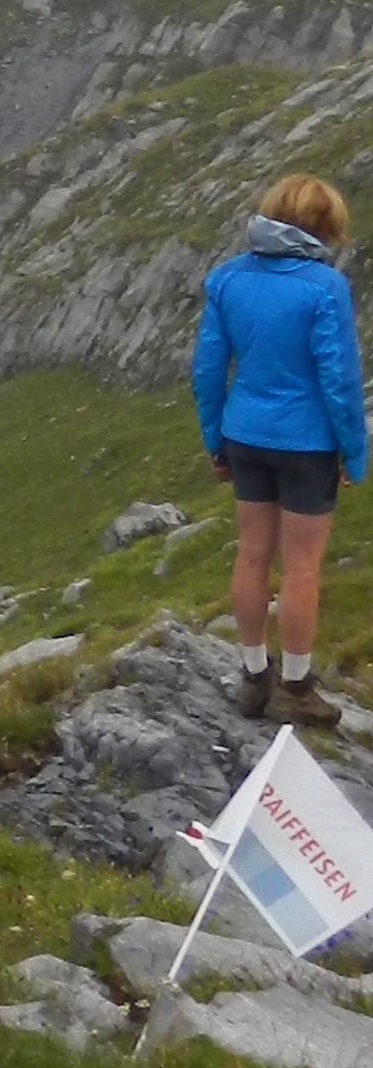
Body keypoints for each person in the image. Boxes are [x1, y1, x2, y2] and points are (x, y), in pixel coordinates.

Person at [194, 172, 367, 727]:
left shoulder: (227, 280)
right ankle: (296, 688)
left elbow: (208, 369)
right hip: (308, 444)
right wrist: (354, 451)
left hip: (245, 435)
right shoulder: (324, 287)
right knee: (302, 568)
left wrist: (216, 439)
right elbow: (339, 379)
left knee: (251, 555)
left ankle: (253, 678)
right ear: (324, 226)